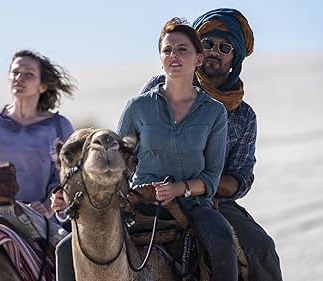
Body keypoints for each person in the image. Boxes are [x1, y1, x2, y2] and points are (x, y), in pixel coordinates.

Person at [52, 18, 236, 281]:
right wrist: (67, 196)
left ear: (198, 59)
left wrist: (178, 189)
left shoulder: (215, 112)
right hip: (139, 202)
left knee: (221, 237)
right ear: (160, 58)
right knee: (64, 249)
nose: (174, 55)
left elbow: (212, 176)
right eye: (167, 50)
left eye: (183, 49)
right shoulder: (137, 107)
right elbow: (117, 162)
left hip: (192, 206)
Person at [139, 8, 282, 280]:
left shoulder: (243, 116)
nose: (215, 51)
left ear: (235, 58)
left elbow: (241, 179)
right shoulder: (160, 86)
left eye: (225, 47)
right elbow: (130, 143)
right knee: (77, 241)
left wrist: (202, 183)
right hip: (147, 191)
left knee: (261, 249)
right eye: (207, 43)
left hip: (210, 200)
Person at [0, 49, 75, 219]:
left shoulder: (59, 126)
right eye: (15, 72)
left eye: (29, 75)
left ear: (42, 86)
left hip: (39, 219)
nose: (19, 78)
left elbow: (66, 178)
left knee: (65, 245)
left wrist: (47, 208)